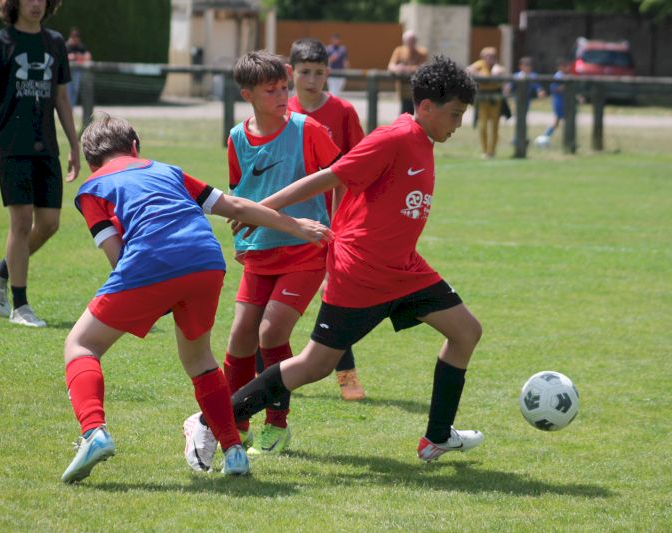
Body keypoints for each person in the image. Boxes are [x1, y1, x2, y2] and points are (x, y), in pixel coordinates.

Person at [185, 55, 484, 469]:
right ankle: (208, 419)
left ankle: (436, 438)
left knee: (466, 331)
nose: (458, 124)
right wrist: (262, 209)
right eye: (455, 114)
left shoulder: (423, 139)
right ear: (428, 107)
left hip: (404, 270)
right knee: (315, 365)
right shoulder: (395, 137)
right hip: (362, 272)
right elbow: (329, 177)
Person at [61, 114, 332, 483]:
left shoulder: (92, 187)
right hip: (206, 260)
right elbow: (235, 206)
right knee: (200, 359)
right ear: (135, 147)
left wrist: (153, 294)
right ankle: (234, 452)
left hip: (149, 262)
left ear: (93, 162)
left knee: (81, 344)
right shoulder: (167, 170)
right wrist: (295, 225)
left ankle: (94, 431)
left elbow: (117, 256)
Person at [189, 50, 343, 461]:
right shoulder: (237, 138)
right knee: (240, 336)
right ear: (248, 95)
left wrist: (340, 231)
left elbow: (343, 178)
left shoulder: (308, 130)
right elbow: (239, 193)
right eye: (271, 91)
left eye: (283, 88)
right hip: (259, 251)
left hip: (305, 249)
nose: (282, 96)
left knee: (271, 333)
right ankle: (235, 423)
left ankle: (277, 423)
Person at [0, 0, 81, 327]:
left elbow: (62, 97)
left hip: (46, 146)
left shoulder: (55, 43)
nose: (36, 3)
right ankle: (20, 306)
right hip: (11, 145)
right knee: (22, 221)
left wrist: (74, 144)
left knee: (49, 223)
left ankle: (0, 271)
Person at [287, 38, 367, 401]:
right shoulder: (281, 110)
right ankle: (268, 373)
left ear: (328, 73)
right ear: (291, 72)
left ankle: (347, 376)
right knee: (272, 303)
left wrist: (343, 223)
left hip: (331, 223)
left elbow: (357, 168)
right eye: (304, 72)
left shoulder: (343, 112)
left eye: (319, 73)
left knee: (334, 299)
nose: (311, 80)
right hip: (287, 222)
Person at [467, 47, 507, 159]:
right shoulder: (479, 65)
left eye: (492, 57)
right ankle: (484, 151)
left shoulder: (498, 67)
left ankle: (492, 152)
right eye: (487, 57)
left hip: (495, 101)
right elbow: (468, 69)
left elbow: (498, 73)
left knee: (494, 127)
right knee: (483, 126)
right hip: (482, 101)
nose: (489, 59)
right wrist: (479, 73)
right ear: (483, 57)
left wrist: (490, 74)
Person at [387, 30, 429, 115]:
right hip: (403, 91)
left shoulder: (422, 52)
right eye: (409, 41)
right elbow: (391, 66)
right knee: (404, 114)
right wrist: (398, 68)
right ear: (404, 41)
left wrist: (405, 69)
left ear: (416, 41)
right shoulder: (399, 51)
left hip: (418, 92)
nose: (411, 43)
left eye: (413, 41)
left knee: (417, 115)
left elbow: (423, 68)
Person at [508, 56, 546, 146]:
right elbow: (510, 87)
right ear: (521, 66)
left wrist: (540, 91)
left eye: (529, 66)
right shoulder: (517, 76)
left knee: (523, 119)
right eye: (525, 65)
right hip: (517, 101)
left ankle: (521, 137)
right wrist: (507, 89)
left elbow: (537, 86)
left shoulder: (532, 76)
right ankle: (518, 138)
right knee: (519, 119)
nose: (528, 68)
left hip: (526, 101)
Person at [541, 57, 572, 142]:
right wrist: (564, 87)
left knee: (558, 122)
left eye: (568, 66)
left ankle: (545, 136)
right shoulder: (558, 76)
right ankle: (544, 137)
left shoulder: (567, 75)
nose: (568, 68)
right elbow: (553, 88)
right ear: (560, 67)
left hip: (565, 101)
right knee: (561, 121)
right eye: (566, 66)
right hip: (559, 102)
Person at [65, 26, 91, 107]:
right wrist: (71, 57)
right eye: (73, 36)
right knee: (68, 91)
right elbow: (62, 57)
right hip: (67, 72)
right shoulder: (66, 46)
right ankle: (68, 108)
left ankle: (71, 108)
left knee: (75, 90)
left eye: (76, 36)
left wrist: (78, 56)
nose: (75, 38)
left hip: (77, 72)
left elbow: (88, 56)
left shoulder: (80, 46)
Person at [325, 33, 348, 97]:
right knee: (332, 90)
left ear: (339, 40)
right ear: (332, 40)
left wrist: (346, 69)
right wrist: (331, 59)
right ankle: (331, 101)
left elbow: (345, 61)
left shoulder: (342, 49)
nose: (336, 40)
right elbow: (325, 61)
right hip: (332, 73)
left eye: (337, 39)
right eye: (334, 39)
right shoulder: (328, 49)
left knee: (338, 91)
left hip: (341, 72)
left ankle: (333, 100)